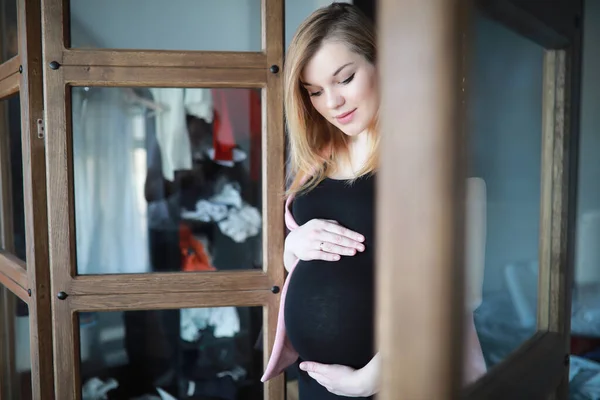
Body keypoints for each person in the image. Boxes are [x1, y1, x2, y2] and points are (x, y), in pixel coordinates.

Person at [261, 3, 486, 398]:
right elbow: (292, 261)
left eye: (344, 79)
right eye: (314, 92)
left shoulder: (428, 158)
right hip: (316, 382)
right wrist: (292, 246)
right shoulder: (312, 162)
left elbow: (455, 290)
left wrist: (373, 377)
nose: (332, 103)